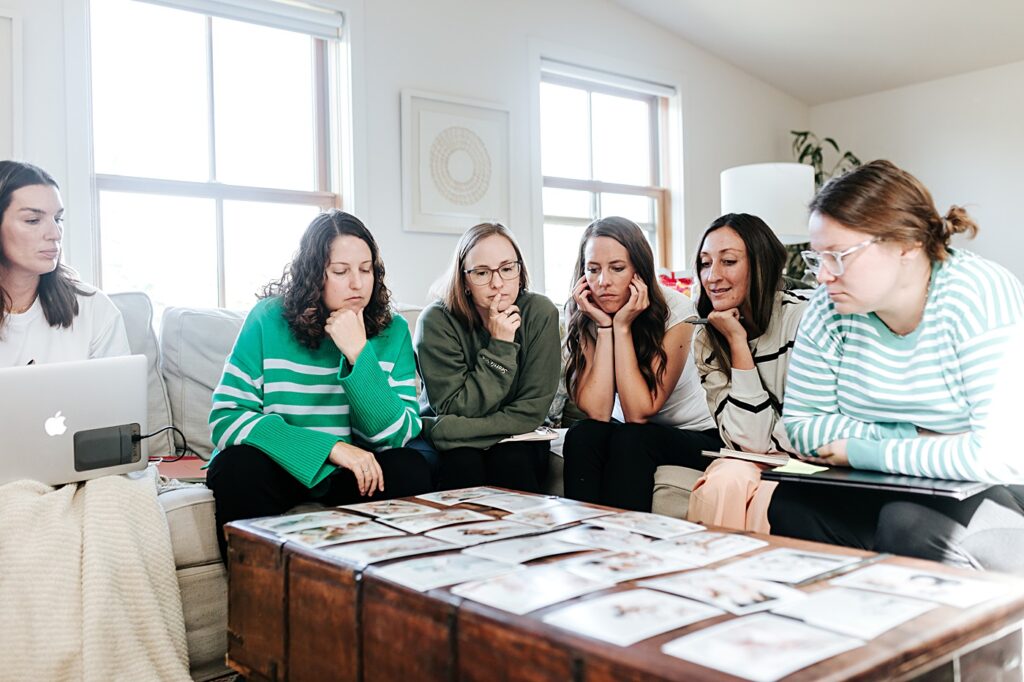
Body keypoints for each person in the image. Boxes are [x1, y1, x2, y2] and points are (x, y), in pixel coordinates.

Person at [773, 159, 1024, 572]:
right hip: (902, 482)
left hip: (999, 488)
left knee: (908, 521)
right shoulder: (828, 308)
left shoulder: (978, 294)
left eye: (839, 256)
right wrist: (927, 435)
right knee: (793, 504)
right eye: (818, 258)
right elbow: (803, 426)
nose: (822, 277)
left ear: (906, 245)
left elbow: (1000, 453)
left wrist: (860, 449)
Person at [206, 209, 432, 558]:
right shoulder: (267, 319)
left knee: (410, 467)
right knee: (234, 466)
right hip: (281, 465)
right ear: (314, 276)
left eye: (366, 269)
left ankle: (385, 592)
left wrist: (360, 355)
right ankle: (257, 594)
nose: (357, 283)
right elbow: (227, 419)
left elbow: (396, 435)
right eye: (341, 271)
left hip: (356, 474)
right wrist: (330, 449)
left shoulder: (395, 331)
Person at [562, 216, 721, 511]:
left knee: (631, 439)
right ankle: (583, 542)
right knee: (582, 434)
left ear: (639, 271)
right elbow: (598, 412)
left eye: (617, 268)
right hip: (636, 433)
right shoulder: (584, 309)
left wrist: (622, 327)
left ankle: (629, 547)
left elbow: (638, 413)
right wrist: (604, 327)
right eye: (593, 269)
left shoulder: (677, 310)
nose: (603, 282)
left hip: (700, 436)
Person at [414, 222, 560, 493]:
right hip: (456, 451)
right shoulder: (436, 321)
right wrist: (500, 345)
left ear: (520, 271)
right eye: (482, 272)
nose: (498, 283)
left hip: (519, 441)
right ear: (464, 280)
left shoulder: (541, 314)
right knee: (462, 463)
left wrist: (449, 430)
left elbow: (529, 413)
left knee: (512, 461)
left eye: (507, 269)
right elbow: (452, 407)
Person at [686, 213, 810, 531]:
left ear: (760, 265)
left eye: (728, 261)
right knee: (724, 479)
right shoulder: (707, 338)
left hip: (807, 461)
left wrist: (768, 442)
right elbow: (745, 442)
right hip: (753, 456)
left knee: (768, 496)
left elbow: (798, 438)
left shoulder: (802, 320)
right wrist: (737, 343)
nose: (712, 276)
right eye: (705, 263)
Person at [0, 160, 128, 366]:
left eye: (58, 219)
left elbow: (120, 395)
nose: (55, 234)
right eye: (33, 220)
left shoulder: (95, 310)